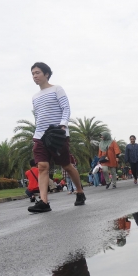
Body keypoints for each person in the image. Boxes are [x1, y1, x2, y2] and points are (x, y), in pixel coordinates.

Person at [28, 62, 85, 213]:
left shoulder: (57, 89)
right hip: (40, 135)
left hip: (57, 135)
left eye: (37, 72)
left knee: (66, 165)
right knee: (42, 167)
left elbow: (66, 108)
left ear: (46, 74)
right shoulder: (35, 97)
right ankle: (44, 202)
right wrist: (36, 131)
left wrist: (63, 125)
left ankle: (80, 191)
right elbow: (38, 116)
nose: (35, 76)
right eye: (33, 73)